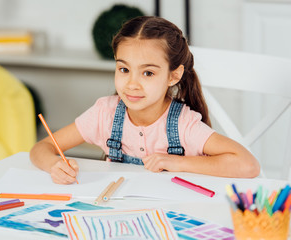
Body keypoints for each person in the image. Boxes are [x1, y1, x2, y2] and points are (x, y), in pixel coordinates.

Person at [30, 16, 260, 184]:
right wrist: (54, 165)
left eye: (148, 73)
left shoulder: (183, 125)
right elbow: (42, 147)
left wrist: (175, 162)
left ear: (173, 76)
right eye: (123, 69)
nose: (132, 84)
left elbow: (248, 164)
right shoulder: (104, 114)